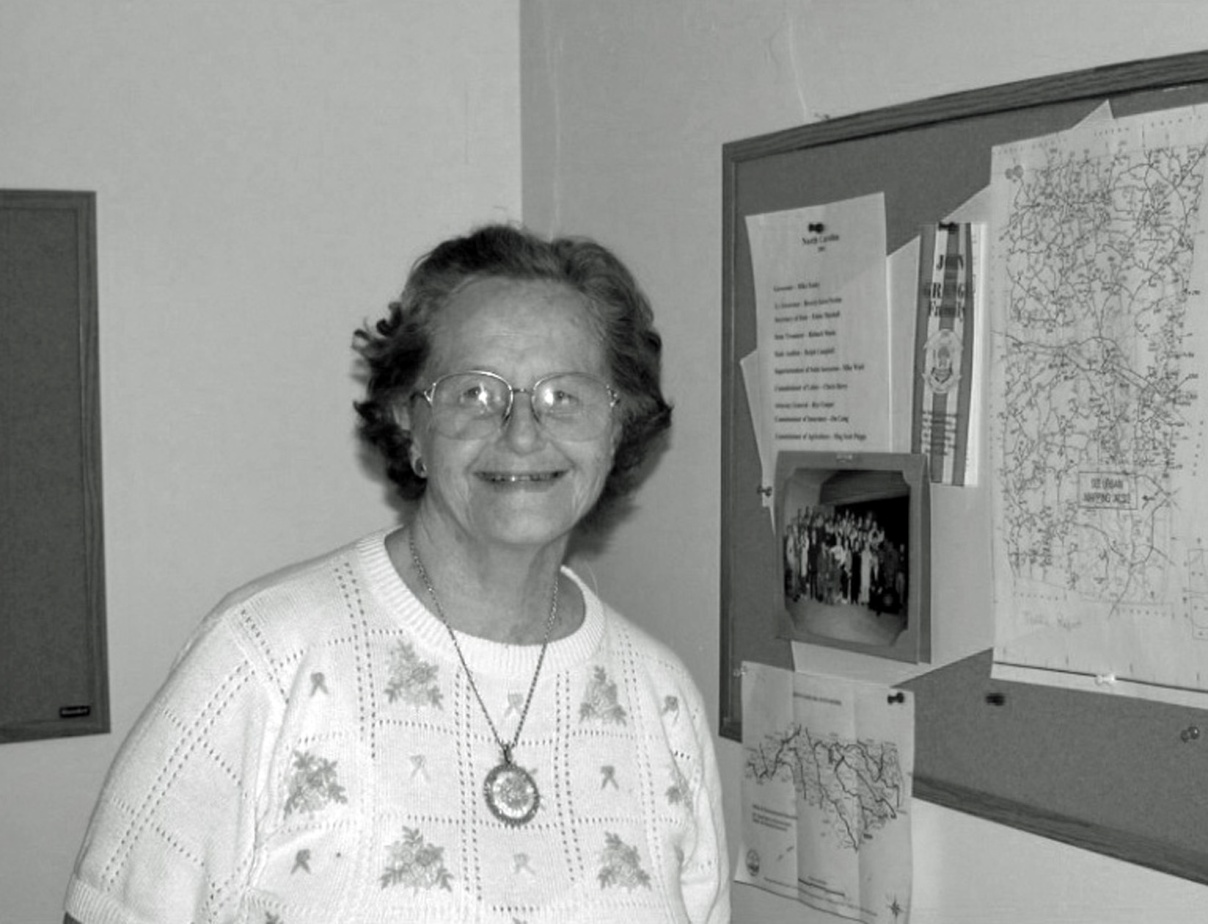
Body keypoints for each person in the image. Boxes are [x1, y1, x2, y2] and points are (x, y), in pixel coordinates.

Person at [63, 224, 730, 923]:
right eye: (475, 393)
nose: (522, 432)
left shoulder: (661, 699)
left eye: (565, 395)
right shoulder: (264, 658)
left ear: (618, 427)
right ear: (408, 421)